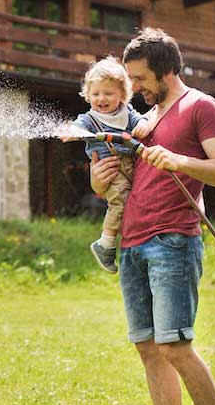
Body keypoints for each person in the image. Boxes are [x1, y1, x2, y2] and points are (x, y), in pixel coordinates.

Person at [90, 28, 215, 405]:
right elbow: (116, 185)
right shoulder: (145, 119)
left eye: (139, 78)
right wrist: (100, 182)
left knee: (176, 346)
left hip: (173, 240)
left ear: (166, 69)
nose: (132, 88)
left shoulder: (201, 107)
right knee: (148, 348)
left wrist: (180, 161)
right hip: (133, 243)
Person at [59, 58, 153, 272]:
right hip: (110, 168)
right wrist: (72, 132)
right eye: (96, 94)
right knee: (120, 201)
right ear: (88, 94)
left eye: (108, 93)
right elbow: (77, 127)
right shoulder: (89, 119)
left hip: (130, 163)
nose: (101, 99)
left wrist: (143, 125)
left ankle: (127, 243)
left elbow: (139, 120)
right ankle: (106, 244)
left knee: (134, 199)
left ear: (122, 94)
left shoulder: (127, 112)